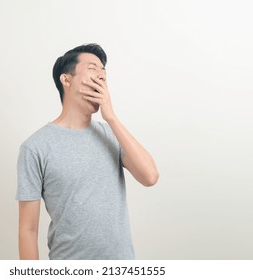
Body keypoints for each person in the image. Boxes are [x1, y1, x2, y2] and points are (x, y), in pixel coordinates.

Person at [16, 43, 159, 260]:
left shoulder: (112, 134)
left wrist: (110, 117)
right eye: (93, 68)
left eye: (104, 73)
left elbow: (150, 177)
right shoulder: (35, 148)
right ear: (66, 79)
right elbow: (28, 230)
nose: (101, 77)